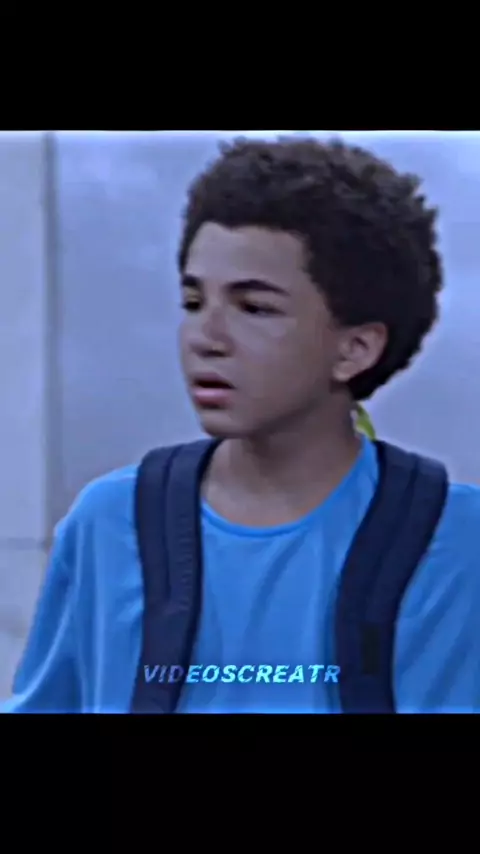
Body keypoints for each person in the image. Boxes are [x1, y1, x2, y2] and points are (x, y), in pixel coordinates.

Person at [2, 136, 479, 714]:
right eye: (193, 302)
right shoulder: (109, 524)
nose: (207, 338)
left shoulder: (456, 541)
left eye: (254, 308)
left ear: (354, 348)